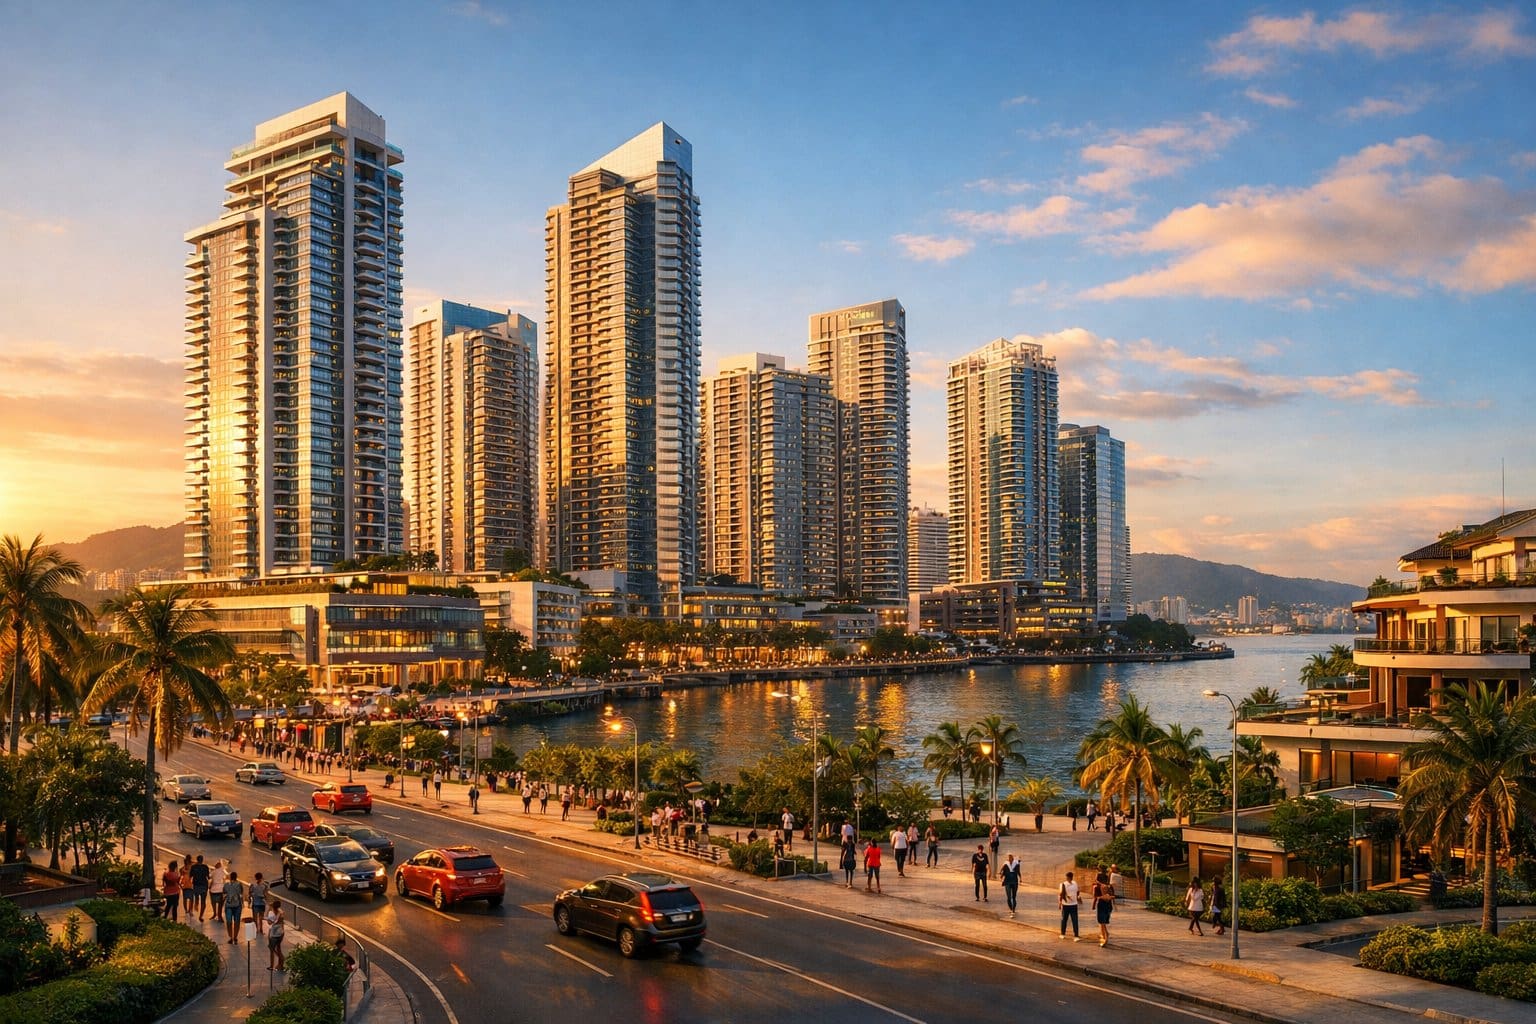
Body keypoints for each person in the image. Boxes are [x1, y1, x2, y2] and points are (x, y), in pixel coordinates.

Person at [1092, 869, 1114, 947]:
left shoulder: (1097, 887)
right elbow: (1113, 896)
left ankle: (1105, 936)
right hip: (1108, 906)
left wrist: (1094, 905)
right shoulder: (1109, 886)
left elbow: (1095, 897)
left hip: (1102, 905)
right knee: (1102, 921)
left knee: (1102, 922)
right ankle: (1103, 935)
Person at [222, 869, 244, 944]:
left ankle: (231, 937)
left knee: (229, 922)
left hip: (229, 905)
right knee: (236, 922)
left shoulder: (226, 885)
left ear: (230, 877)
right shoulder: (239, 884)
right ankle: (235, 937)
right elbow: (241, 894)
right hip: (237, 905)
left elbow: (224, 894)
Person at [1058, 869, 1081, 940]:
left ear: (1070, 877)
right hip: (1066, 905)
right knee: (1065, 919)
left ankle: (1076, 935)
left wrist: (1077, 898)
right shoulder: (1063, 884)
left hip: (1073, 904)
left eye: (1068, 877)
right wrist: (1060, 903)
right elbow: (1061, 894)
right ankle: (1063, 933)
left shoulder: (1074, 883)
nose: (1068, 878)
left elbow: (1077, 892)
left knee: (1074, 920)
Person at [266, 897, 286, 971]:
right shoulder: (281, 912)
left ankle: (273, 964)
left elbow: (269, 923)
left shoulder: (271, 913)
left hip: (273, 932)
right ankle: (280, 965)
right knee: (278, 948)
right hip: (281, 932)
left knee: (271, 948)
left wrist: (268, 910)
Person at [189, 854, 210, 920]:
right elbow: (208, 877)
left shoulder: (193, 867)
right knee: (203, 901)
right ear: (202, 860)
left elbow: (190, 876)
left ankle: (196, 904)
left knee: (196, 897)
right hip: (204, 885)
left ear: (197, 860)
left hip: (196, 885)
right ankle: (201, 916)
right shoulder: (205, 867)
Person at [1000, 853, 1022, 918]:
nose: (1010, 859)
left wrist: (1020, 879)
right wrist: (1001, 876)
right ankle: (1011, 909)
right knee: (1009, 897)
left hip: (1014, 881)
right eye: (1009, 858)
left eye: (1011, 858)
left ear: (1012, 858)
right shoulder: (1006, 863)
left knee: (1014, 897)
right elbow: (1003, 871)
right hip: (1008, 881)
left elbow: (1018, 871)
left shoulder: (1016, 863)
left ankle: (1013, 910)